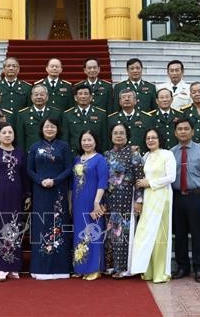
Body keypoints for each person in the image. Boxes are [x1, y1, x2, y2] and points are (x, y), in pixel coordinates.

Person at [0, 123, 31, 281]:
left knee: (14, 227)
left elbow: (24, 176)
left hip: (16, 196)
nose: (7, 135)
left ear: (14, 135)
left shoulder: (20, 153)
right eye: (4, 132)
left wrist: (28, 194)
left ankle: (12, 266)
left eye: (10, 132)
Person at [170, 118, 200, 283]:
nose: (183, 131)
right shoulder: (171, 153)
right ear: (175, 132)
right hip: (176, 197)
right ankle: (183, 267)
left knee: (198, 233)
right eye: (179, 129)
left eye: (186, 129)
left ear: (192, 131)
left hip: (196, 196)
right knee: (180, 234)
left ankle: (199, 268)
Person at [27, 118, 73, 280]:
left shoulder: (64, 146)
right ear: (42, 129)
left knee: (58, 225)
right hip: (40, 192)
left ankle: (60, 268)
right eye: (47, 126)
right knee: (41, 224)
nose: (49, 129)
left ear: (57, 129)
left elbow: (69, 168)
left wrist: (55, 180)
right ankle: (40, 268)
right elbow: (29, 169)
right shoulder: (35, 147)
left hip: (58, 192)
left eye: (52, 126)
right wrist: (40, 180)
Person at [130, 128, 176, 283]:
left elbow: (171, 177)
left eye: (154, 137)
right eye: (148, 138)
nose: (150, 140)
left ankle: (160, 273)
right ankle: (147, 270)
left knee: (160, 236)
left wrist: (150, 183)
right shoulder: (146, 156)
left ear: (160, 139)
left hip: (162, 198)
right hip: (148, 199)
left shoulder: (167, 154)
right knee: (146, 235)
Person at [103, 122, 145, 278]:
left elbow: (139, 179)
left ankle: (123, 268)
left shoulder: (134, 154)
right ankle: (111, 265)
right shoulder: (107, 155)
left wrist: (139, 200)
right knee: (111, 233)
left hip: (127, 199)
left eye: (122, 133)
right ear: (111, 136)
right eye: (115, 133)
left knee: (123, 233)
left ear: (127, 136)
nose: (119, 136)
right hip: (110, 199)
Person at [71, 130, 108, 280]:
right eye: (84, 140)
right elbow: (72, 183)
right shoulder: (77, 159)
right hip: (78, 201)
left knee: (93, 232)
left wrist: (97, 202)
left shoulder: (100, 159)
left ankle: (95, 268)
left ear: (95, 142)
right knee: (79, 233)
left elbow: (102, 182)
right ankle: (80, 267)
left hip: (93, 201)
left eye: (89, 140)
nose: (86, 143)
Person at [16, 84, 62, 151]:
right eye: (36, 95)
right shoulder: (23, 114)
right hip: (31, 153)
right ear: (31, 97)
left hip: (53, 153)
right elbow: (20, 139)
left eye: (42, 94)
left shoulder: (56, 113)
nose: (39, 97)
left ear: (47, 97)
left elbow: (60, 135)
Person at [62, 84, 107, 152]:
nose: (83, 96)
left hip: (95, 154)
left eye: (86, 94)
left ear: (91, 97)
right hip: (75, 155)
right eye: (80, 94)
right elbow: (65, 138)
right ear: (75, 97)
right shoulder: (67, 115)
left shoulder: (101, 114)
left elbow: (105, 138)